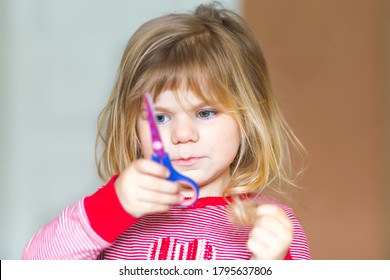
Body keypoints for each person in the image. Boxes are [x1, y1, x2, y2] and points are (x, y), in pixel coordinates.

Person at [22, 1, 311, 260]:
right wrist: (113, 206)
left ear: (247, 118)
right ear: (132, 127)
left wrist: (271, 266)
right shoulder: (117, 209)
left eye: (205, 113)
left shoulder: (271, 225)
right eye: (160, 118)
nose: (182, 135)